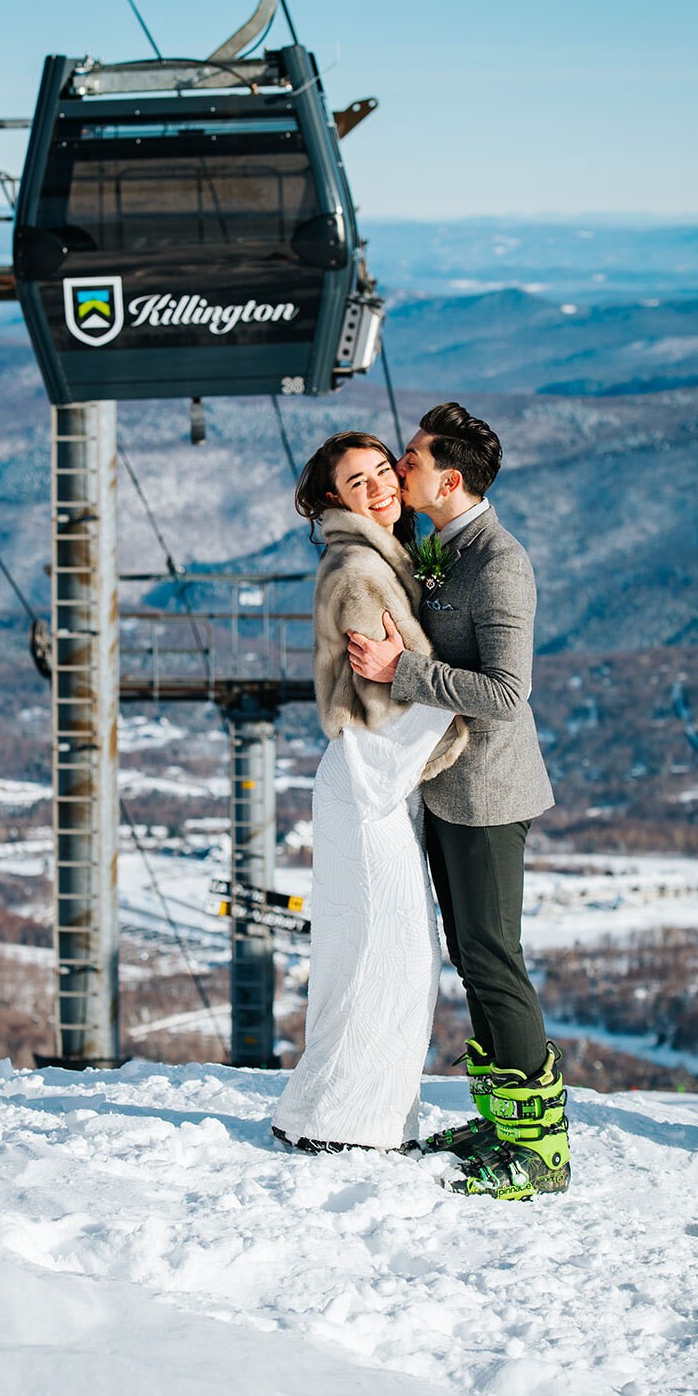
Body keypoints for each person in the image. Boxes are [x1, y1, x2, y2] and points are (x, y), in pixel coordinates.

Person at [347, 403, 571, 1200]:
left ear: (448, 479)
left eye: (408, 459)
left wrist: (398, 671)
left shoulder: (499, 562)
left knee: (493, 959)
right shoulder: (446, 546)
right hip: (449, 784)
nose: (398, 468)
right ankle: (504, 1120)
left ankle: (540, 1153)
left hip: (488, 792)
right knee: (473, 961)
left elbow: (508, 693)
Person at [271, 432, 467, 1153]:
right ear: (334, 499)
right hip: (369, 777)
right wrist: (460, 694)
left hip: (374, 782)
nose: (381, 487)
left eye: (385, 470)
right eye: (359, 482)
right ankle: (350, 1123)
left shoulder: (383, 559)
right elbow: (380, 696)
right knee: (391, 957)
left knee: (378, 953)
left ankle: (340, 1115)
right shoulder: (358, 570)